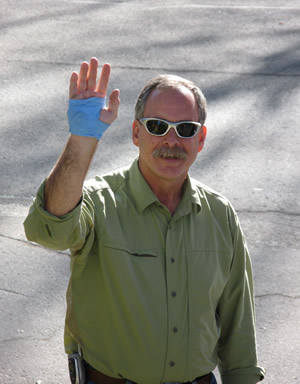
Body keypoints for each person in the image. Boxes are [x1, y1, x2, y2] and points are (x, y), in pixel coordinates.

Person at [24, 57, 266, 384]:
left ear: (201, 139)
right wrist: (82, 139)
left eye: (185, 129)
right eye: (157, 126)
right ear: (136, 133)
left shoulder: (220, 215)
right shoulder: (98, 202)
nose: (171, 140)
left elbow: (239, 335)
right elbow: (49, 230)